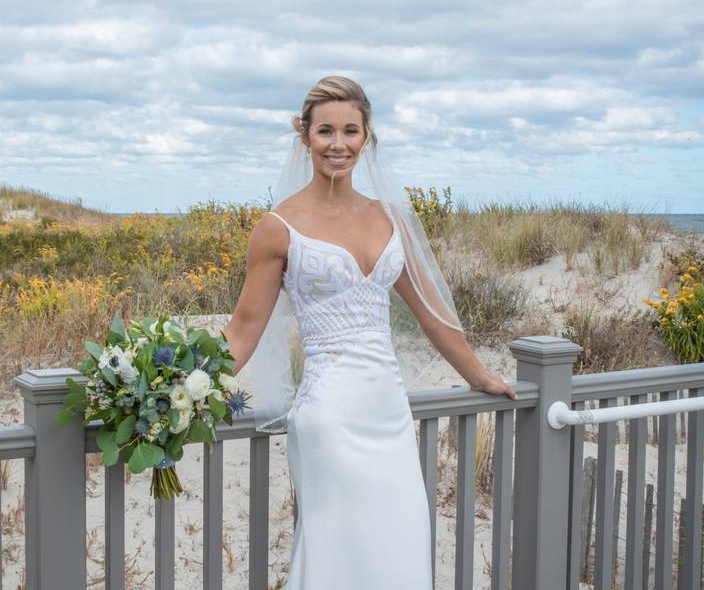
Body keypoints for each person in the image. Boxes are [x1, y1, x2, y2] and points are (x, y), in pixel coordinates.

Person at [221, 75, 516, 589]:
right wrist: (177, 386)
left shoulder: (390, 219)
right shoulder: (277, 227)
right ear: (305, 138)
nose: (339, 144)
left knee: (398, 547)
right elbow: (243, 331)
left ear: (367, 137)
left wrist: (481, 375)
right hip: (328, 414)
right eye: (325, 132)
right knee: (340, 554)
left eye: (351, 131)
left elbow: (432, 313)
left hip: (388, 412)